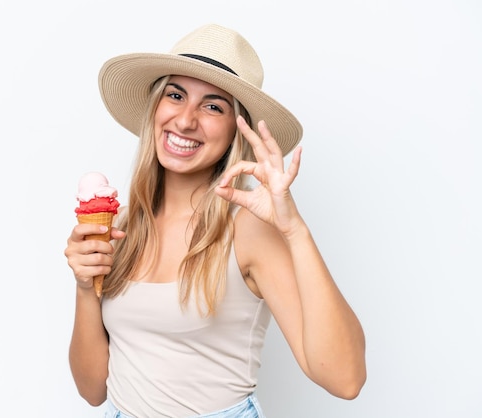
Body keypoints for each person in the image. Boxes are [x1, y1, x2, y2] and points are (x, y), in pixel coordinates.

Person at [64, 23, 366, 417]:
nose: (186, 120)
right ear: (155, 107)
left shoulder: (247, 231)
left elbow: (345, 379)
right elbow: (93, 390)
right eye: (175, 95)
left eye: (212, 106)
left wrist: (294, 230)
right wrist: (86, 288)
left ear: (234, 132)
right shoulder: (121, 227)